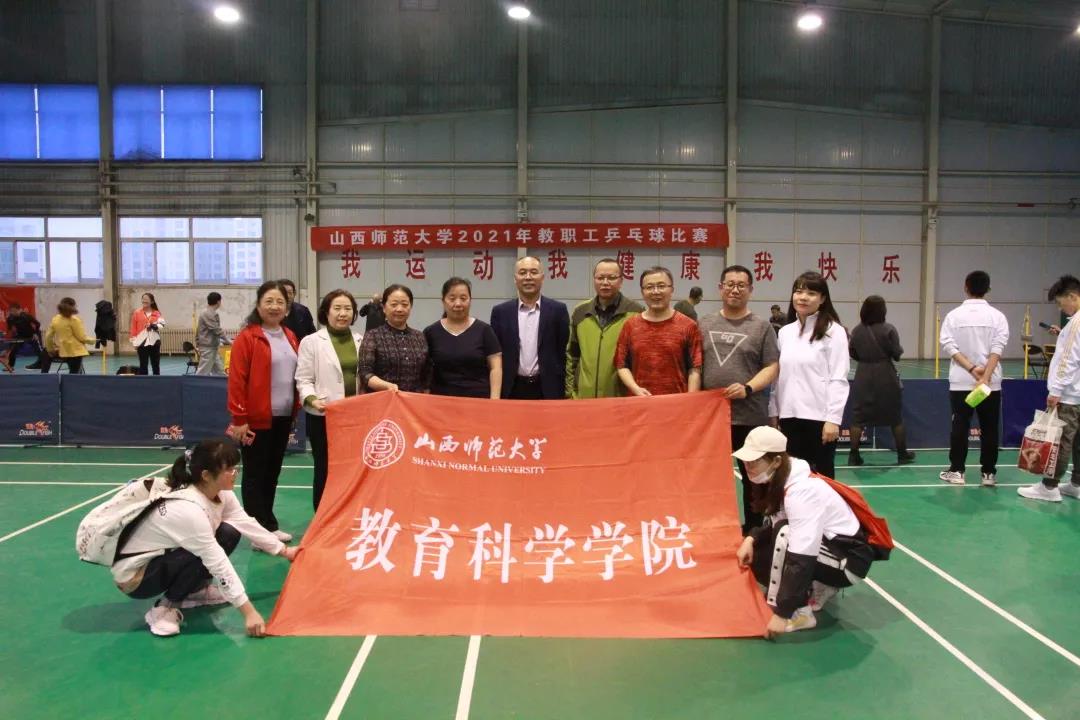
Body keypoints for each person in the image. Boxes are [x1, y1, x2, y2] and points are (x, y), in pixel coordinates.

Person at [112, 438, 298, 637]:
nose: (235, 473)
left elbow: (244, 521)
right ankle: (164, 608)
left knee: (229, 532)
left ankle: (195, 591)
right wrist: (249, 612)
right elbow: (216, 561)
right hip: (137, 577)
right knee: (203, 551)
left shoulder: (219, 492)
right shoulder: (188, 509)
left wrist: (284, 551)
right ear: (207, 475)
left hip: (163, 559)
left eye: (235, 467)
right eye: (229, 469)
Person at [734, 426, 876, 639]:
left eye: (754, 462)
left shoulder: (803, 491)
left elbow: (802, 553)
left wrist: (782, 612)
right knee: (759, 549)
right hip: (830, 550)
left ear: (776, 461)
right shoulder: (782, 478)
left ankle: (802, 614)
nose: (747, 467)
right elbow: (773, 521)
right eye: (745, 461)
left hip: (848, 561)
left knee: (785, 535)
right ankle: (819, 584)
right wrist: (751, 538)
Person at [699, 265, 779, 533]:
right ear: (720, 288)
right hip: (711, 419)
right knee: (710, 478)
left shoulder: (762, 327)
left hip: (749, 416)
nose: (735, 289)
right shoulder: (704, 324)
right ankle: (714, 529)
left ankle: (755, 532)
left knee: (754, 478)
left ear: (750, 290)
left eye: (741, 285)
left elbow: (772, 366)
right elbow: (695, 366)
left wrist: (748, 388)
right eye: (730, 284)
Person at [227, 281, 299, 541]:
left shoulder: (290, 336)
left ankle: (268, 523)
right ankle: (258, 532)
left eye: (280, 302)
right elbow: (237, 381)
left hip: (283, 417)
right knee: (255, 476)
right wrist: (240, 418)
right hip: (255, 421)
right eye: (269, 301)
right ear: (258, 306)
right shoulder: (247, 337)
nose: (274, 306)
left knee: (272, 473)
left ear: (287, 308)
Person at [768, 271, 849, 480]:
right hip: (788, 418)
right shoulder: (785, 332)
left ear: (822, 299)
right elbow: (779, 378)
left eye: (811, 293)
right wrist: (774, 411)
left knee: (821, 480)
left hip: (819, 420)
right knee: (792, 478)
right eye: (798, 292)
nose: (803, 297)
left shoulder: (834, 331)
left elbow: (839, 378)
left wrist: (833, 419)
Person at [938, 270, 1009, 487]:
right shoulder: (998, 317)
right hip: (990, 384)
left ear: (966, 287)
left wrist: (971, 369)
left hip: (961, 382)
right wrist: (985, 377)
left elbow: (948, 345)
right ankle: (988, 474)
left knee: (960, 425)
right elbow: (998, 348)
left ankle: (957, 471)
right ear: (987, 289)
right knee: (990, 428)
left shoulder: (954, 316)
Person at [295, 289, 363, 511]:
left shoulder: (361, 340)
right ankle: (322, 516)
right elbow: (303, 379)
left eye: (348, 309)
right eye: (337, 308)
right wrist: (312, 399)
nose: (343, 313)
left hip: (355, 418)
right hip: (324, 415)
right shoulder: (311, 342)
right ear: (326, 312)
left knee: (352, 468)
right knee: (325, 468)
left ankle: (347, 514)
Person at [1018, 275, 1080, 502]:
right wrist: (1063, 333)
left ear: (1072, 296)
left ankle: (1049, 487)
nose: (1061, 308)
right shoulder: (1073, 325)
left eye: (1061, 303)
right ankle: (1077, 484)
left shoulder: (1076, 324)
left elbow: (1068, 360)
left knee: (1061, 441)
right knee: (1078, 442)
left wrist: (1056, 391)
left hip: (1069, 396)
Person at [847, 296, 916, 466]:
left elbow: (852, 352)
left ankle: (853, 455)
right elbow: (897, 354)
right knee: (895, 417)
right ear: (882, 311)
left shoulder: (856, 330)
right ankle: (902, 454)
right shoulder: (889, 329)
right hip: (886, 375)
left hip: (863, 375)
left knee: (858, 417)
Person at [615, 266, 704, 396]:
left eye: (661, 286)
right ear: (642, 292)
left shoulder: (688, 326)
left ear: (672, 290)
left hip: (676, 403)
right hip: (639, 402)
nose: (655, 291)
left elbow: (695, 368)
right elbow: (621, 365)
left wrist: (689, 401)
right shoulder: (630, 326)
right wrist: (635, 389)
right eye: (649, 287)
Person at [490, 256, 570, 400]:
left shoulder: (558, 311)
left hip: (547, 390)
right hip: (511, 389)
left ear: (542, 278)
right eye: (522, 273)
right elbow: (496, 354)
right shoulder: (500, 312)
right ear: (515, 279)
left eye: (533, 272)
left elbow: (562, 353)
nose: (528, 277)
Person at [565, 258, 644, 398]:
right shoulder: (580, 312)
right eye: (600, 278)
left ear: (621, 281)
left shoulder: (636, 312)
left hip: (619, 398)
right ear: (594, 280)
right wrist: (571, 393)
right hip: (583, 398)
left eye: (612, 278)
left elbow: (640, 360)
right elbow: (572, 355)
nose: (605, 282)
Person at [424, 277, 502, 399]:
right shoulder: (431, 332)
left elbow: (496, 367)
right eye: (452, 299)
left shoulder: (484, 330)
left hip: (478, 401)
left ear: (470, 300)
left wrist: (494, 400)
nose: (458, 303)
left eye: (463, 298)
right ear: (443, 301)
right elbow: (424, 371)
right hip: (441, 402)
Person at [358, 284, 429, 393]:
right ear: (384, 308)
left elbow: (427, 373)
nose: (399, 309)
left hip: (414, 401)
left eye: (405, 304)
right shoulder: (373, 336)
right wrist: (387, 386)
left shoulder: (419, 337)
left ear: (410, 307)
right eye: (394, 304)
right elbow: (365, 373)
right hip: (383, 400)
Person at [42, 297, 91, 374]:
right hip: (75, 353)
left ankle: (43, 375)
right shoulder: (75, 320)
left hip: (62, 352)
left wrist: (50, 350)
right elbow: (82, 338)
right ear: (73, 306)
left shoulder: (55, 319)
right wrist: (94, 341)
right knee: (74, 375)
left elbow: (48, 337)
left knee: (45, 352)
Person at [195, 292, 232, 376]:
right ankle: (195, 384)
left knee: (220, 372)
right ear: (218, 302)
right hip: (208, 348)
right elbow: (216, 330)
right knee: (202, 373)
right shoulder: (208, 313)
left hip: (212, 347)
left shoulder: (209, 313)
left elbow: (201, 330)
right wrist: (229, 341)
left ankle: (222, 384)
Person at [3, 302, 46, 371]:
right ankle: (10, 366)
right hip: (20, 336)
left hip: (32, 335)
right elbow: (10, 329)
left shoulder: (26, 316)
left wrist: (35, 333)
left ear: (19, 309)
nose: (13, 313)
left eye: (14, 311)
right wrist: (10, 336)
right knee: (13, 350)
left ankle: (43, 364)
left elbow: (37, 324)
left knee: (38, 351)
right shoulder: (10, 318)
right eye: (11, 311)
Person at [130, 292, 165, 376]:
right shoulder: (137, 313)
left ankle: (157, 381)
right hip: (141, 342)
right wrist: (134, 342)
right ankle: (144, 382)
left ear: (152, 301)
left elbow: (162, 324)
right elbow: (133, 328)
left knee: (155, 364)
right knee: (143, 365)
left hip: (154, 342)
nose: (144, 300)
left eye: (146, 299)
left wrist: (154, 326)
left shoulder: (156, 313)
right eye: (143, 299)